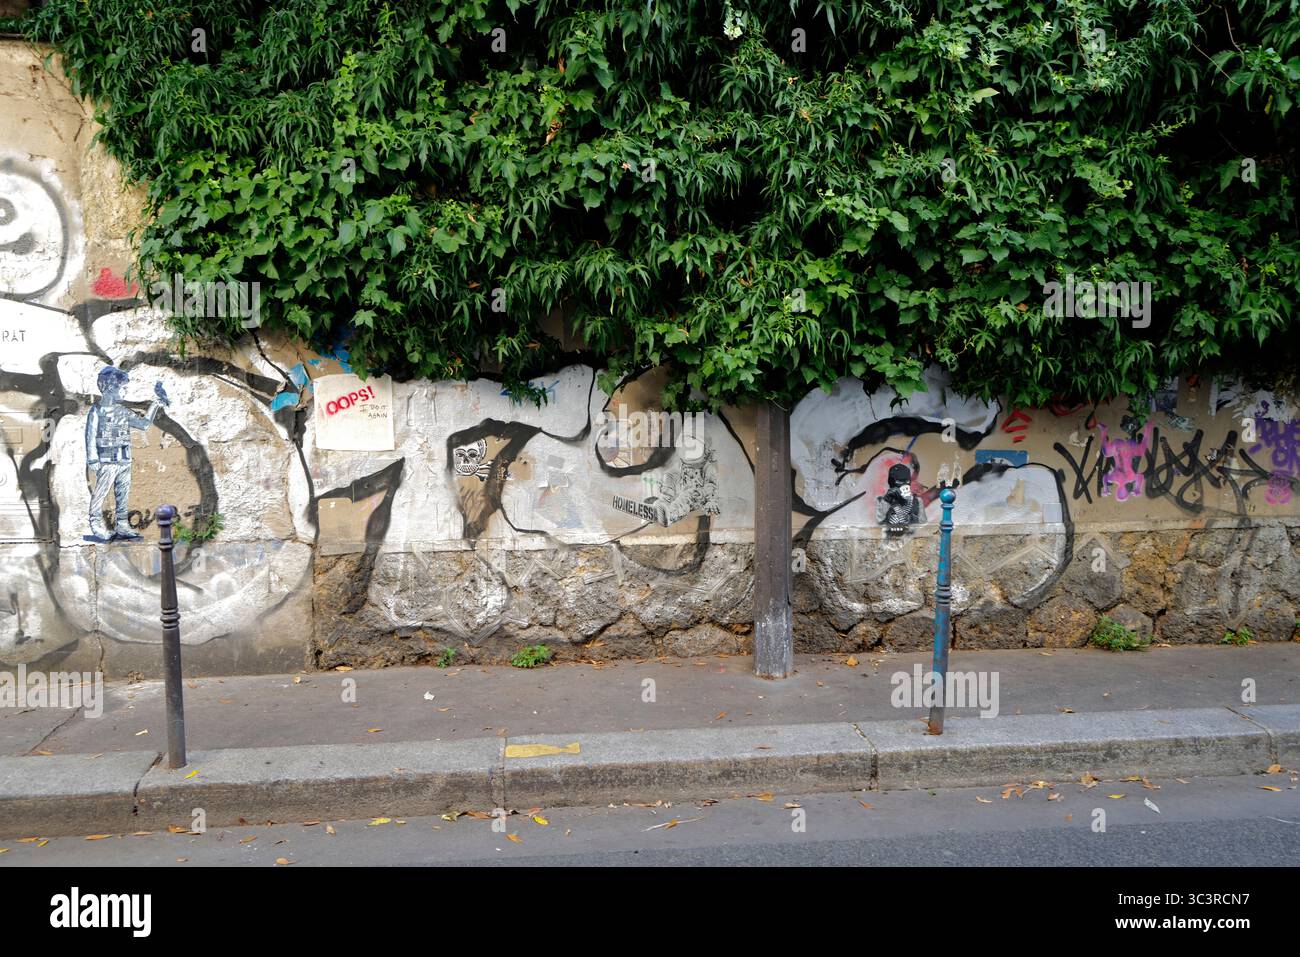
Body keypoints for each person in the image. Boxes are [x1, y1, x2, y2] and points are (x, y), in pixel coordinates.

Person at [85, 367, 168, 542]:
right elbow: (90, 435)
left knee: (123, 492)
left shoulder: (123, 411)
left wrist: (154, 405)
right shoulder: (97, 410)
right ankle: (95, 523)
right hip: (107, 460)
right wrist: (92, 457)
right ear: (110, 387)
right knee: (101, 492)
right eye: (123, 387)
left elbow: (144, 424)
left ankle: (122, 523)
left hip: (124, 459)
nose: (126, 390)